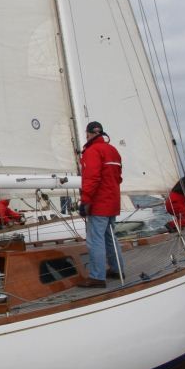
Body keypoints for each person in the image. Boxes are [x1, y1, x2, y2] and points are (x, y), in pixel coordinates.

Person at [78, 121, 124, 287]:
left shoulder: (92, 151)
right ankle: (117, 269)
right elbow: (118, 178)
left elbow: (92, 178)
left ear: (89, 133)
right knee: (110, 237)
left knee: (95, 240)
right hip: (112, 203)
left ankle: (97, 277)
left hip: (99, 204)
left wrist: (85, 201)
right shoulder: (113, 151)